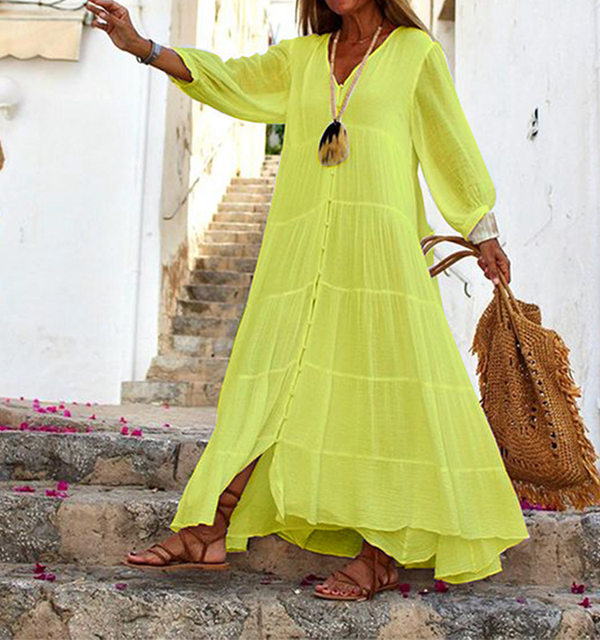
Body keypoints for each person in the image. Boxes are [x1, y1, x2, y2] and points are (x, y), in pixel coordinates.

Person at [86, 0, 528, 602]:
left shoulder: (414, 55)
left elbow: (449, 145)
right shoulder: (300, 59)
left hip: (379, 256)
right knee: (271, 378)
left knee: (385, 389)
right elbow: (232, 80)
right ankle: (209, 529)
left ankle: (379, 556)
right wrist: (144, 48)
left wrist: (484, 232)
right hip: (298, 255)